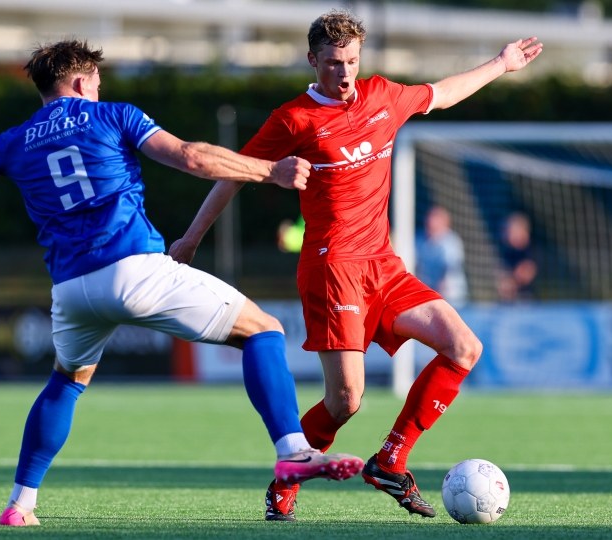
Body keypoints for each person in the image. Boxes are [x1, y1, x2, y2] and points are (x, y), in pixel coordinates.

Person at [0, 39, 365, 527]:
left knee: (66, 381)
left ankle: (20, 505)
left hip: (70, 290)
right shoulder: (113, 115)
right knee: (263, 330)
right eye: (98, 81)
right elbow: (191, 157)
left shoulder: (16, 139)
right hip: (134, 270)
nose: (101, 88)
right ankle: (293, 449)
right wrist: (268, 171)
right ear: (84, 82)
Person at [169, 9, 542, 521]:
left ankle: (391, 460)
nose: (343, 74)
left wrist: (501, 63)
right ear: (312, 60)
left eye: (350, 62)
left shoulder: (383, 96)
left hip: (384, 267)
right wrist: (191, 239)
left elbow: (443, 92)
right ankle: (286, 480)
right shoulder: (293, 119)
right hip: (331, 270)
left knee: (463, 347)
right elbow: (234, 175)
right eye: (332, 63)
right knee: (346, 402)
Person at [415, 205, 469, 308]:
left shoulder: (451, 242)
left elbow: (449, 268)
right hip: (428, 295)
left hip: (451, 297)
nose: (431, 223)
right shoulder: (419, 240)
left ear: (445, 223)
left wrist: (438, 292)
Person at [496, 211, 538, 301]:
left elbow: (527, 274)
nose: (508, 235)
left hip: (529, 302)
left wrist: (512, 281)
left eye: (512, 231)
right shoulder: (507, 251)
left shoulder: (532, 251)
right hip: (510, 302)